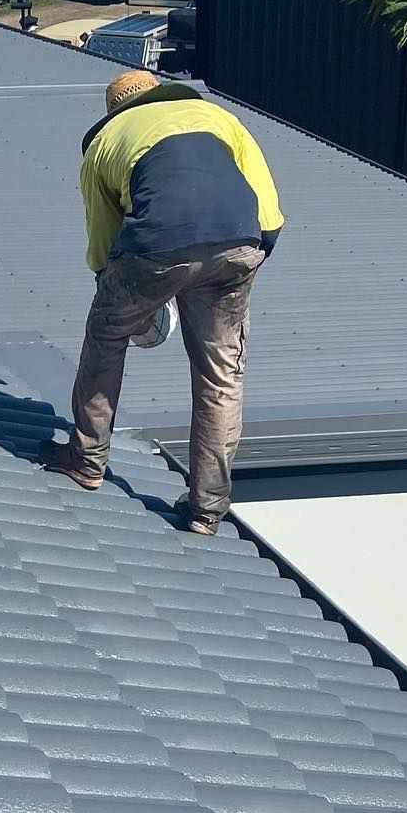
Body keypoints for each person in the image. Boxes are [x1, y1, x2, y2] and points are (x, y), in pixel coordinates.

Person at [39, 69, 284, 536]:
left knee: (106, 334)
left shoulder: (107, 140)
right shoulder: (217, 117)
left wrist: (125, 299)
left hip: (157, 247)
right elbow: (268, 208)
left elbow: (103, 242)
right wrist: (244, 257)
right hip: (240, 244)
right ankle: (206, 509)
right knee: (221, 373)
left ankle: (86, 460)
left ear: (115, 110)